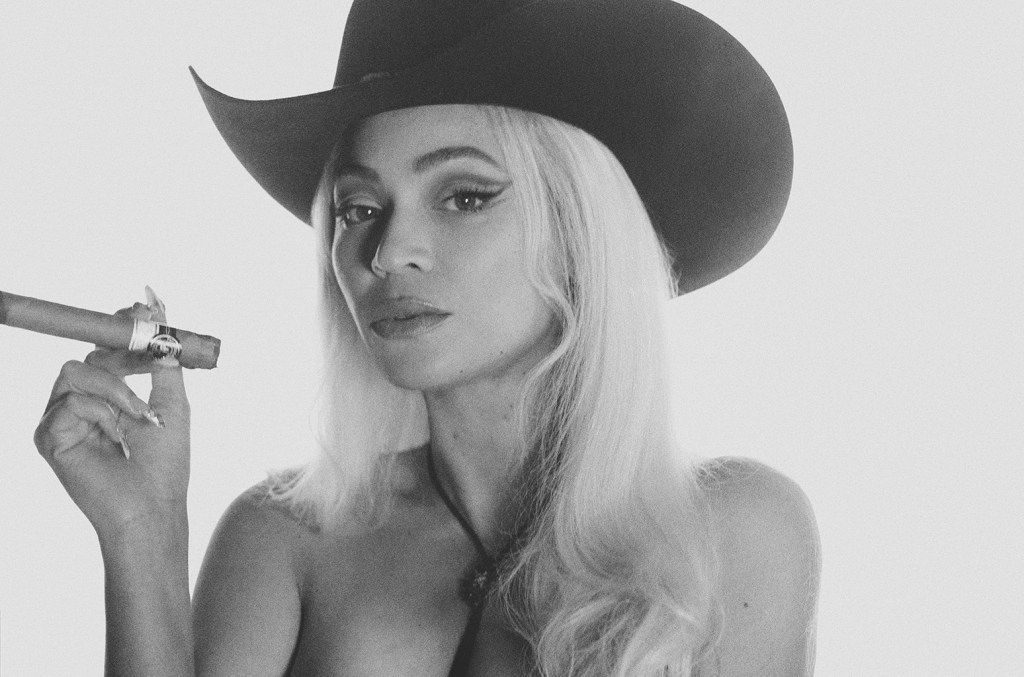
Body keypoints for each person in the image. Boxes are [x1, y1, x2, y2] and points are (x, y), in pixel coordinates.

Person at [34, 0, 821, 675]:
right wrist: (142, 533)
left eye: (464, 196)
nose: (387, 252)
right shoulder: (285, 539)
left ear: (578, 232)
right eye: (357, 208)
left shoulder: (734, 534)